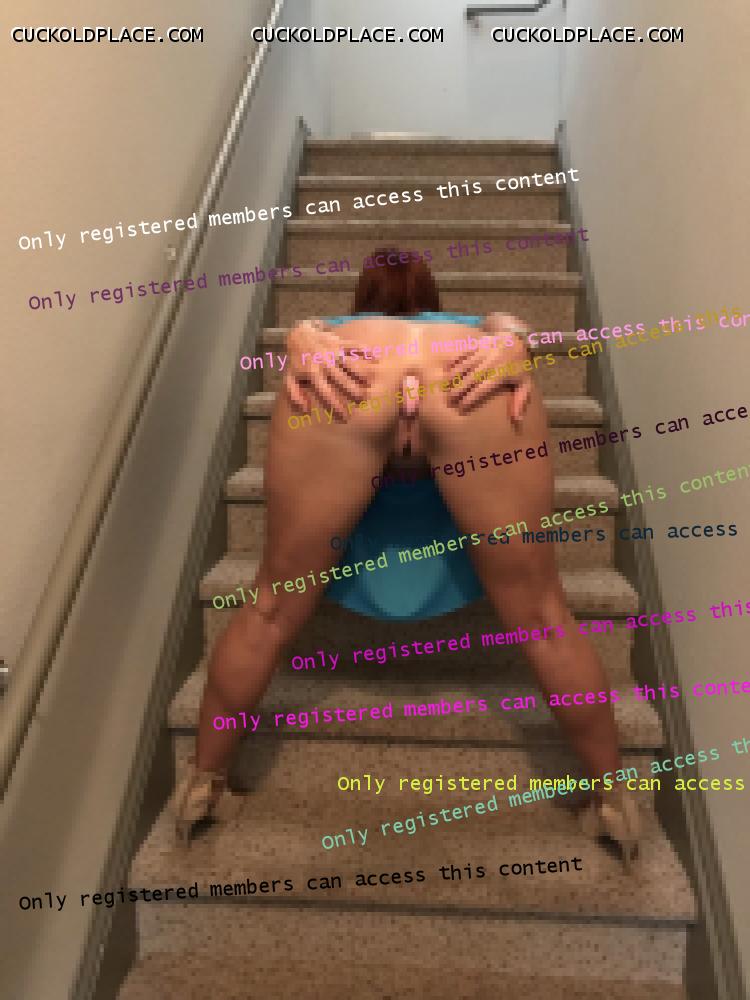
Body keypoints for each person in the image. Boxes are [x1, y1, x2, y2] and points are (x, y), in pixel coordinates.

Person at [174, 250, 640, 871]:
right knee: (543, 615)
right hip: (470, 385)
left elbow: (309, 328)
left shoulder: (329, 337)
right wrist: (516, 342)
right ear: (433, 296)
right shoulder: (477, 331)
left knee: (269, 609)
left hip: (348, 384)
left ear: (362, 297)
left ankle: (203, 785)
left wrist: (299, 335)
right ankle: (611, 800)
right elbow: (509, 323)